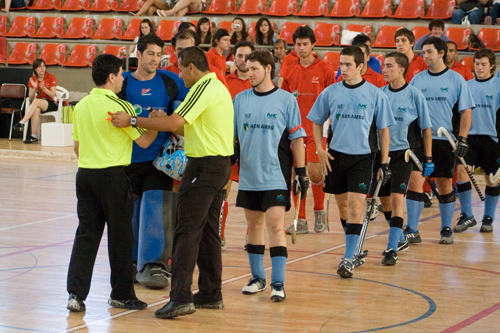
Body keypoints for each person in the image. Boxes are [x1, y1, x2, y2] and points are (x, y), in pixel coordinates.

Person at [112, 46, 233, 319]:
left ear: (191, 67)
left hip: (203, 167)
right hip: (219, 166)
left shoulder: (201, 88)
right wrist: (160, 120)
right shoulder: (218, 87)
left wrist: (133, 119)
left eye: (180, 69)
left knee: (186, 230)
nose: (179, 75)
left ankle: (180, 297)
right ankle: (211, 293)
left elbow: (173, 123)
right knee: (209, 232)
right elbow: (186, 127)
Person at [66, 54, 157, 312]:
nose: (123, 79)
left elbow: (77, 147)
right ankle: (121, 295)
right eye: (120, 74)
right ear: (111, 77)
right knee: (121, 238)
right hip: (112, 177)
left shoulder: (81, 105)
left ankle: (75, 294)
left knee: (86, 234)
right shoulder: (121, 107)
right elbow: (144, 142)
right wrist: (157, 123)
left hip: (85, 174)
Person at [307, 46, 393, 278]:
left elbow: (384, 131)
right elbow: (316, 121)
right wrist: (320, 149)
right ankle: (354, 248)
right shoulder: (330, 92)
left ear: (360, 67)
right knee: (343, 208)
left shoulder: (376, 95)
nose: (342, 69)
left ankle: (347, 258)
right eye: (340, 64)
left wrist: (384, 163)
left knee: (356, 206)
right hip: (336, 157)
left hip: (363, 159)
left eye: (347, 65)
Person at [234, 49, 308, 301]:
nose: (248, 72)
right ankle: (257, 278)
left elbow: (297, 138)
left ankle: (278, 282)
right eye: (247, 68)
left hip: (276, 175)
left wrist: (301, 171)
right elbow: (232, 137)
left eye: (254, 68)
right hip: (248, 175)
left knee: (275, 226)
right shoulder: (240, 99)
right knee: (253, 225)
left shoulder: (287, 100)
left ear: (268, 69)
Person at [117, 33, 189, 289]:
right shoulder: (122, 82)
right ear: (139, 54)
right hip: (126, 160)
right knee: (131, 213)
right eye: (151, 54)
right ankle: (130, 262)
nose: (156, 59)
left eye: (159, 55)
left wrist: (168, 114)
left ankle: (155, 265)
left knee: (156, 210)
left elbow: (189, 108)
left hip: (160, 161)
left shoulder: (170, 82)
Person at [406, 37, 474, 245]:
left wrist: (462, 139)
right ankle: (413, 229)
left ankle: (446, 228)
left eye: (429, 52)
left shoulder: (456, 80)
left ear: (441, 53)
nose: (425, 56)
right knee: (415, 183)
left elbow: (466, 112)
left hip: (445, 140)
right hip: (420, 140)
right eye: (423, 52)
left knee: (444, 185)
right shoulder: (417, 80)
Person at [281, 25, 336, 234]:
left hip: (317, 129)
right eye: (298, 44)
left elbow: (333, 98)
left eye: (305, 44)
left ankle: (320, 211)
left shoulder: (325, 70)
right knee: (297, 173)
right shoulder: (290, 67)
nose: (301, 48)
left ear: (313, 45)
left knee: (313, 172)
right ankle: (300, 220)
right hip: (295, 130)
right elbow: (284, 99)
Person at [379, 52, 433, 264]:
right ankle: (399, 237)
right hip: (383, 154)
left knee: (396, 197)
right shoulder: (380, 94)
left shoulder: (414, 95)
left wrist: (428, 158)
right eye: (384, 65)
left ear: (401, 69)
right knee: (385, 201)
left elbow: (426, 129)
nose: (384, 70)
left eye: (389, 66)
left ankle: (392, 248)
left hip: (405, 154)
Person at [453, 49, 500, 233]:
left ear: (492, 66)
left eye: (484, 65)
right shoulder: (466, 86)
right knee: (462, 173)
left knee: (491, 179)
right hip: (469, 138)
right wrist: (459, 136)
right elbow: (459, 114)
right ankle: (467, 215)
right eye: (477, 64)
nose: (480, 68)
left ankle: (488, 217)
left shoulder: (497, 85)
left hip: (492, 139)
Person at [221, 40, 254, 250]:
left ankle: (251, 236)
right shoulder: (224, 82)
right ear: (233, 57)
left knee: (252, 193)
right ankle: (219, 235)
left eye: (246, 56)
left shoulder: (259, 83)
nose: (242, 60)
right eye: (239, 56)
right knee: (222, 192)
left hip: (252, 146)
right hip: (228, 145)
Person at [164, 29, 229, 89]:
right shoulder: (165, 74)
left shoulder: (214, 74)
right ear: (174, 51)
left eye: (188, 49)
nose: (183, 54)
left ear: (196, 50)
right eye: (180, 49)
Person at [13, 59, 57, 144]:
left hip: (51, 103)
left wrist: (44, 88)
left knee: (36, 102)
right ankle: (34, 136)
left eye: (43, 66)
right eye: (39, 67)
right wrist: (35, 88)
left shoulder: (51, 77)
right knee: (36, 109)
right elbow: (31, 97)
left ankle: (22, 122)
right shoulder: (33, 79)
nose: (42, 68)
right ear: (35, 69)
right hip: (38, 102)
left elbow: (52, 95)